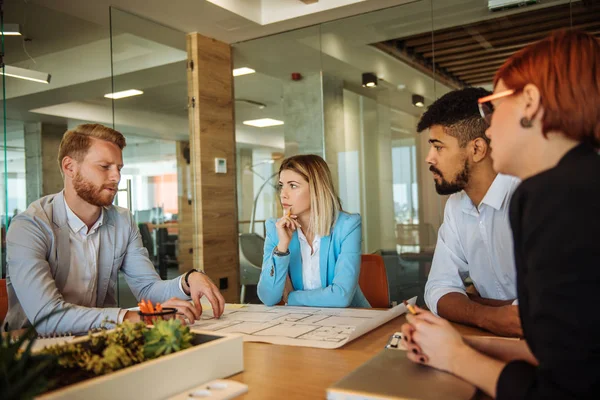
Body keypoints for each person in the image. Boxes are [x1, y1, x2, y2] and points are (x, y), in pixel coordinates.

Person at [401, 30, 600, 399]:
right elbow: (569, 352)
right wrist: (470, 339)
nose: (489, 126)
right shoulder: (576, 181)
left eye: (492, 105)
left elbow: (564, 389)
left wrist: (457, 355)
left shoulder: (558, 195)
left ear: (529, 102)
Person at [5, 124, 225, 335]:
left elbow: (148, 289)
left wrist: (186, 281)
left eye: (119, 168)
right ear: (69, 167)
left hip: (99, 339)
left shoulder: (122, 221)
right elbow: (48, 317)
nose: (116, 177)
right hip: (30, 352)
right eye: (104, 167)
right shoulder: (29, 227)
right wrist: (133, 319)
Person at [417, 87, 521, 337]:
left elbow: (538, 311)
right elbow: (438, 289)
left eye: (438, 147)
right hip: (489, 341)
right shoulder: (456, 206)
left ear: (476, 149)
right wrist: (488, 314)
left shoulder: (526, 196)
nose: (429, 159)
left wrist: (468, 301)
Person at [257, 154, 370, 308]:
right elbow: (268, 297)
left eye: (293, 185)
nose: (283, 193)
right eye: (281, 185)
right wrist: (282, 248)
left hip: (351, 322)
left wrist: (291, 298)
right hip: (300, 323)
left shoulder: (347, 226)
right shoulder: (275, 228)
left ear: (317, 189)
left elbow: (341, 297)